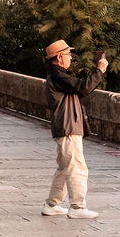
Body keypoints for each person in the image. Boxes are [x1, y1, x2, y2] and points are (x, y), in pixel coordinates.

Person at [43, 39, 106, 219]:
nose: (71, 58)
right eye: (68, 54)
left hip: (65, 127)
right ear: (59, 57)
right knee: (77, 167)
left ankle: (52, 204)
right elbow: (83, 87)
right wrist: (99, 71)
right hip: (68, 127)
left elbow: (80, 88)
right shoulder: (58, 76)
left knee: (64, 168)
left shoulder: (57, 75)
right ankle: (77, 207)